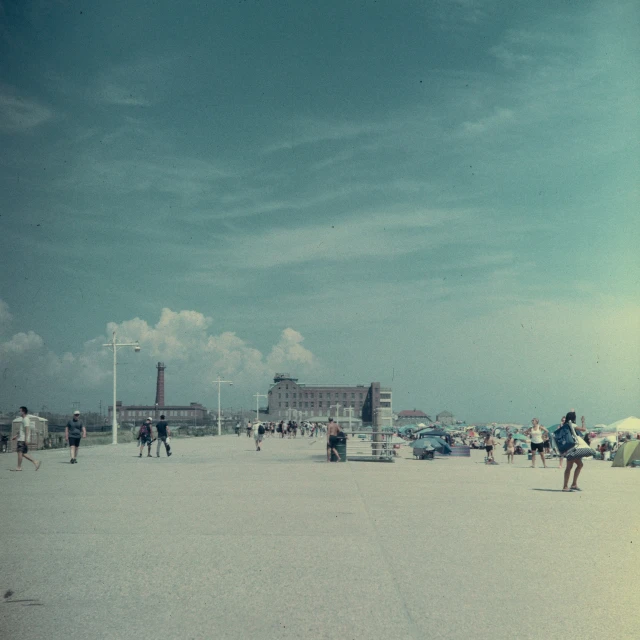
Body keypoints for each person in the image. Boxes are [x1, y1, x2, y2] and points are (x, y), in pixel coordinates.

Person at [563, 411, 587, 492]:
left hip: (569, 447)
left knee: (579, 465)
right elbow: (583, 429)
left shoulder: (565, 425)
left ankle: (573, 484)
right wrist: (583, 421)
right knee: (569, 467)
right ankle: (565, 486)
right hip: (573, 448)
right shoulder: (571, 424)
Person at [10, 406, 41, 471]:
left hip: (22, 439)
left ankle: (19, 467)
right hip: (21, 438)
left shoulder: (26, 419)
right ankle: (35, 462)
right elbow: (22, 430)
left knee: (20, 453)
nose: (19, 412)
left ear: (23, 412)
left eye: (20, 411)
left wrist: (26, 439)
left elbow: (27, 430)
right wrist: (16, 436)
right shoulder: (24, 419)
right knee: (23, 453)